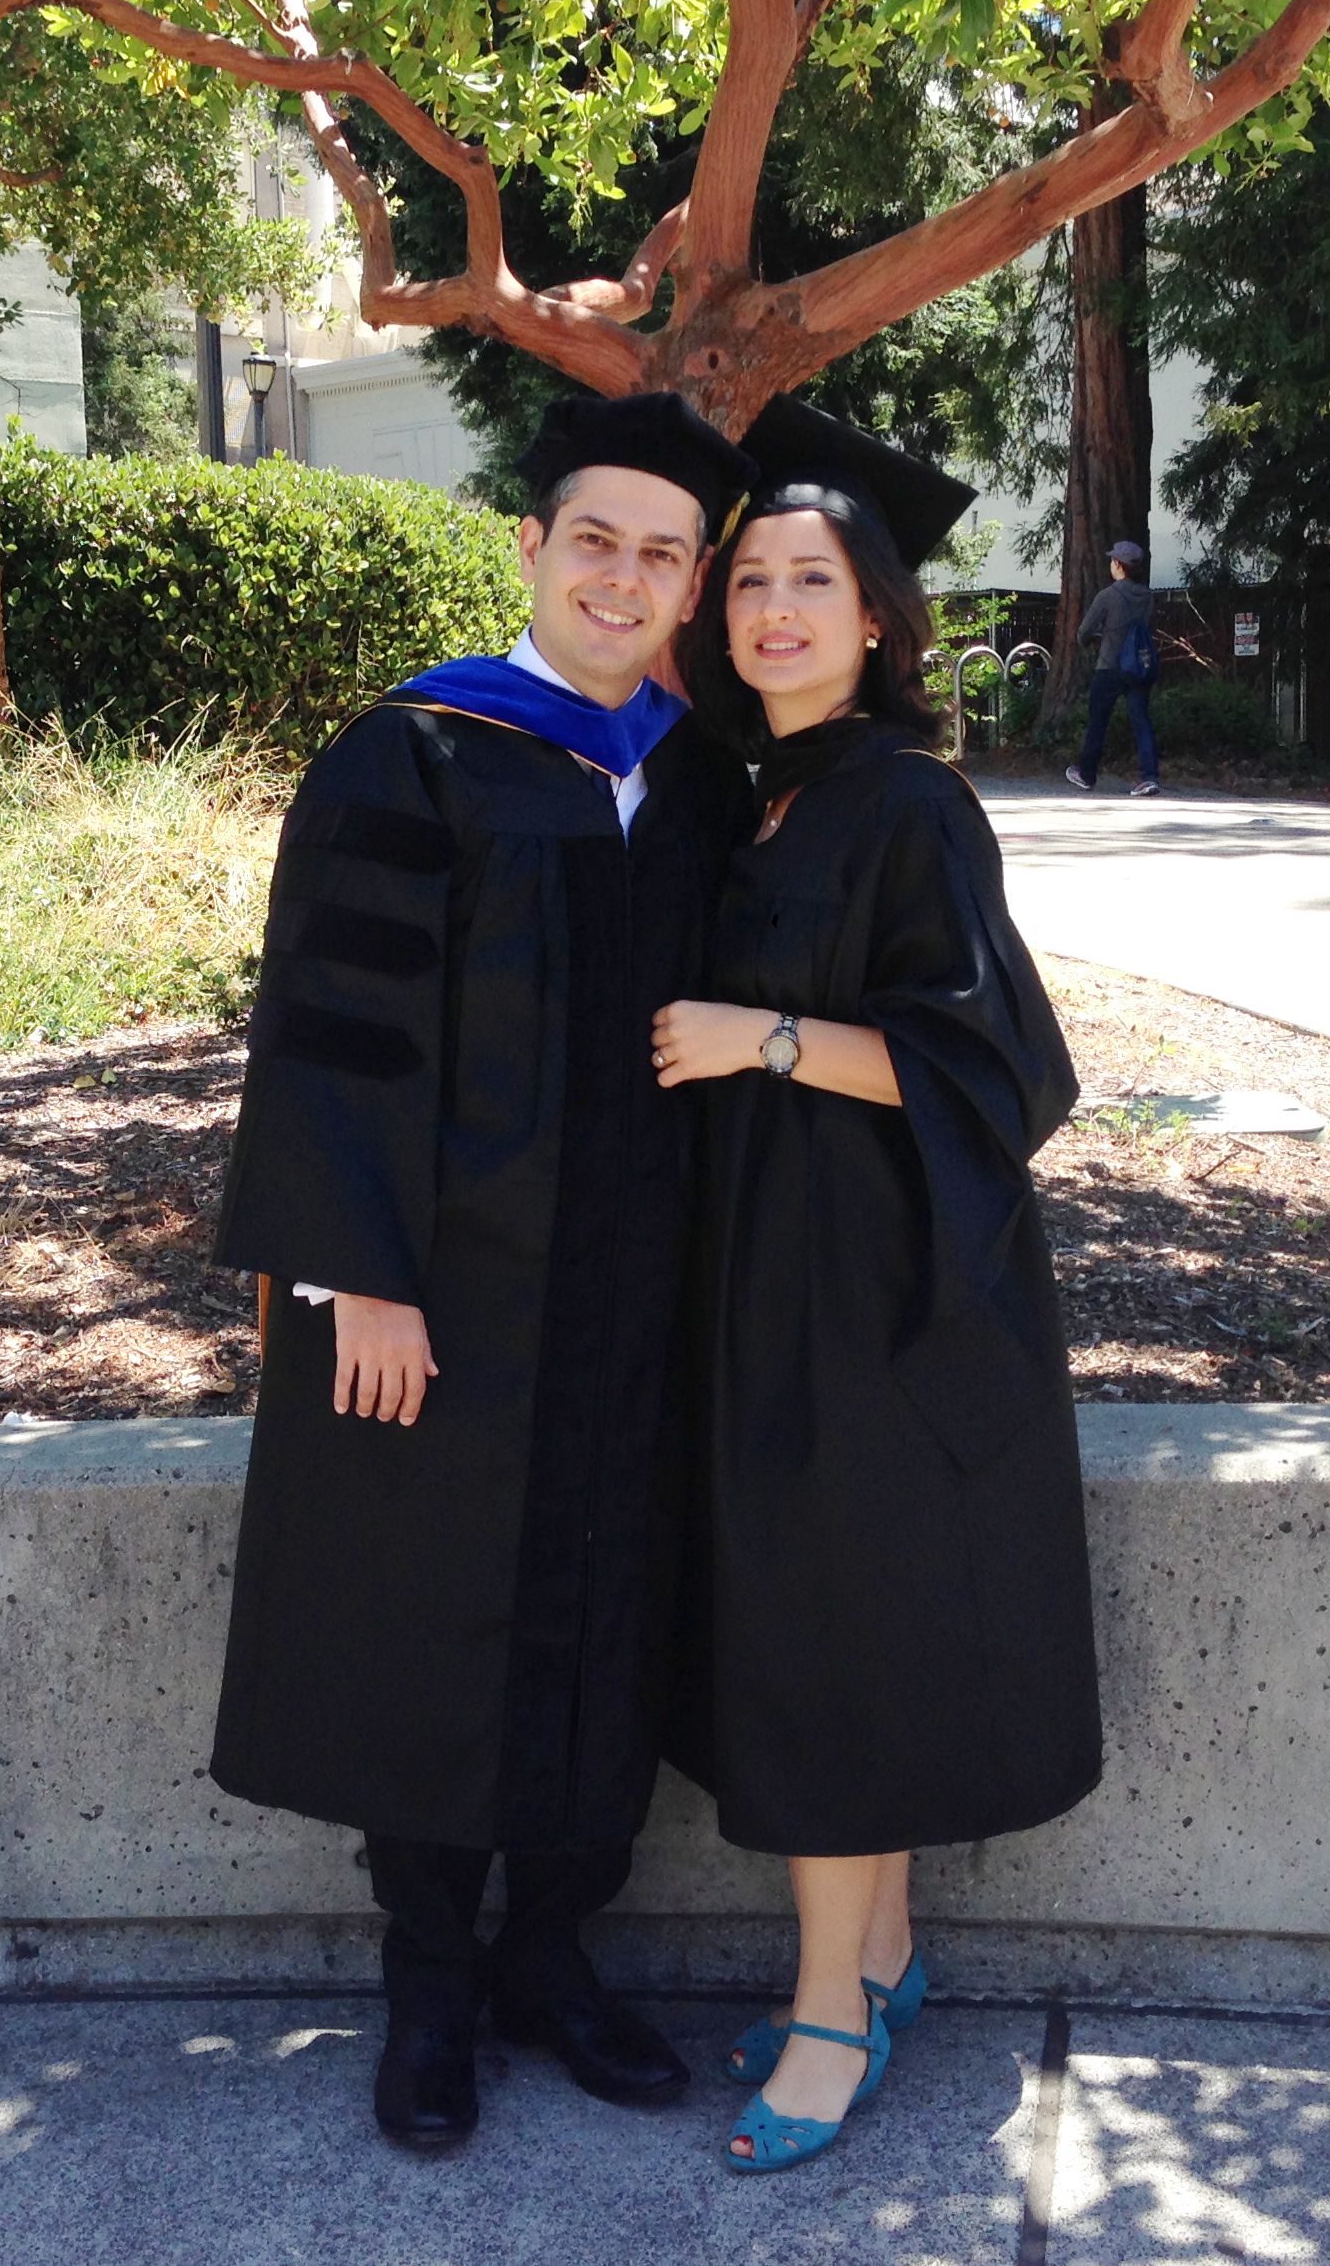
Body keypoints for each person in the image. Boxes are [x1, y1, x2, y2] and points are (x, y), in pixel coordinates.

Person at [208, 393, 760, 2153]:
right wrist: (355, 1279)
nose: (623, 574)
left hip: (639, 1300)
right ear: (527, 547)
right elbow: (328, 1033)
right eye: (591, 538)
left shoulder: (695, 775)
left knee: (616, 1608)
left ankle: (550, 1954)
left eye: (660, 551)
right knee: (432, 1618)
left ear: (690, 583)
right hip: (443, 1302)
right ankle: (431, 1977)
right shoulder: (419, 755)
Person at [653, 402, 1103, 2175]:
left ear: (877, 620)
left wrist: (762, 1038)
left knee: (822, 1641)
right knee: (819, 1625)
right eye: (749, 578)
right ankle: (891, 1954)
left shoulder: (905, 804)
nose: (771, 609)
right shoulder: (744, 793)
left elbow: (1002, 1070)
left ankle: (829, 2013)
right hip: (765, 1277)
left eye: (809, 583)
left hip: (881, 1289)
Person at [1066, 537, 1161, 796]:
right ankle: (1149, 776)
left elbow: (1083, 632)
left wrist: (1093, 640)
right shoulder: (1146, 596)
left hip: (1109, 665)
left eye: (1112, 560)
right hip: (1138, 665)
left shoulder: (1107, 596)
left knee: (1098, 721)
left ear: (1118, 565)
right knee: (1141, 721)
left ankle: (1087, 775)